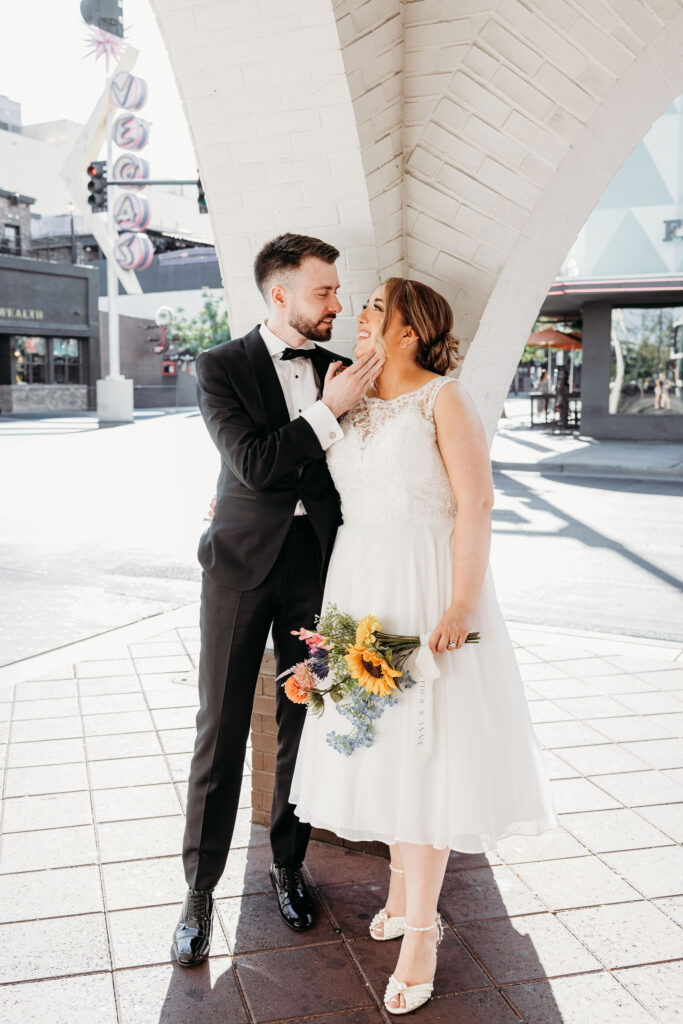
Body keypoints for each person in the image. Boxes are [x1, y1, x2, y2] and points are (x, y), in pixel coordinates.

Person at [289, 278, 559, 1015]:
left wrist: (462, 602)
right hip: (360, 584)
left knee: (426, 747)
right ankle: (403, 891)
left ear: (410, 330)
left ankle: (420, 933)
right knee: (379, 746)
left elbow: (475, 501)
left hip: (425, 583)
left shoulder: (445, 398)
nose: (362, 315)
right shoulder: (355, 396)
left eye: (376, 306)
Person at [171, 233, 382, 966]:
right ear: (280, 295)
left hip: (318, 566)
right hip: (238, 564)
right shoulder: (220, 366)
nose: (337, 304)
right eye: (324, 292)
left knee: (304, 719)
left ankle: (288, 866)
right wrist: (326, 412)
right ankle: (199, 890)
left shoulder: (342, 369)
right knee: (221, 725)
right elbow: (257, 465)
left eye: (336, 290)